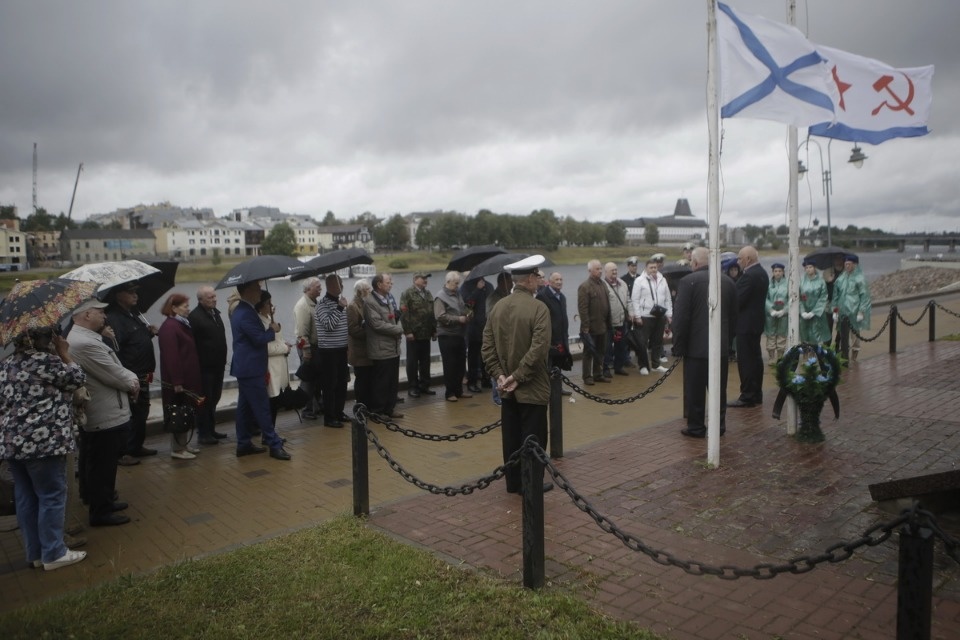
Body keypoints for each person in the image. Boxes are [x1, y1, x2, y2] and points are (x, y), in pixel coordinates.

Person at [1, 326, 88, 570]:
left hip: (12, 442)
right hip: (43, 442)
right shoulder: (46, 361)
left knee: (26, 497)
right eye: (51, 336)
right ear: (42, 339)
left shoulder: (7, 364)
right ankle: (54, 552)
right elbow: (78, 379)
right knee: (51, 495)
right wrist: (65, 353)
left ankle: (36, 553)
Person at [481, 256, 553, 495]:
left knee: (511, 438)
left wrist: (500, 376)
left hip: (506, 389)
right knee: (533, 439)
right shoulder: (539, 307)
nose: (539, 280)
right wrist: (518, 376)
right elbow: (539, 348)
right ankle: (530, 483)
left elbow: (487, 347)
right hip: (531, 388)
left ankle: (513, 483)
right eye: (537, 276)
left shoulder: (498, 306)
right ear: (530, 279)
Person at [69, 298, 140, 526]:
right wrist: (133, 382)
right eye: (100, 312)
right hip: (104, 413)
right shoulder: (84, 343)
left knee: (95, 459)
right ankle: (101, 511)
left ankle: (97, 499)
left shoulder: (84, 339)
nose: (104, 316)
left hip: (103, 410)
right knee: (103, 465)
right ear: (87, 315)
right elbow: (114, 374)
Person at [671, 247, 737, 438]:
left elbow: (681, 318)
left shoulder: (687, 282)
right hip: (720, 348)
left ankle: (696, 427)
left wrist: (679, 346)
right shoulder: (728, 281)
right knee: (719, 390)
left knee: (695, 392)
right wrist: (727, 341)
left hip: (695, 350)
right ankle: (719, 426)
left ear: (695, 263)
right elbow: (734, 317)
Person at [230, 280, 291, 461]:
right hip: (251, 368)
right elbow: (258, 339)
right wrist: (272, 330)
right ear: (248, 291)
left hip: (245, 367)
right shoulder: (246, 313)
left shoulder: (243, 310)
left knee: (244, 408)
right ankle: (274, 444)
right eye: (257, 289)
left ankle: (243, 443)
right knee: (261, 407)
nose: (260, 291)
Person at [104, 282, 157, 465]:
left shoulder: (133, 314)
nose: (136, 296)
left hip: (144, 372)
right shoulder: (114, 318)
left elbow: (134, 340)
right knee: (131, 414)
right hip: (131, 374)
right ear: (119, 295)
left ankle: (136, 446)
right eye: (131, 292)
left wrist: (148, 333)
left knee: (142, 411)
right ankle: (124, 451)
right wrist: (124, 376)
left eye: (136, 292)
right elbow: (117, 348)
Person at [157, 293, 203, 461]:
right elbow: (172, 356)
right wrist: (177, 381)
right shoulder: (170, 327)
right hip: (178, 381)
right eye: (184, 306)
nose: (188, 309)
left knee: (186, 410)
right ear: (174, 308)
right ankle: (177, 448)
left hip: (188, 378)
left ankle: (183, 445)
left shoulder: (180, 324)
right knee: (178, 411)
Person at [188, 286, 229, 444]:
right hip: (204, 368)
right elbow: (193, 345)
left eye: (214, 296)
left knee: (214, 398)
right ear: (200, 300)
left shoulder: (215, 314)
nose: (214, 299)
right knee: (205, 400)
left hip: (218, 366)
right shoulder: (195, 317)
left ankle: (211, 429)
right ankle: (203, 433)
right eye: (209, 297)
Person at [729, 246, 768, 408]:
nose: (738, 262)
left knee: (746, 361)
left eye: (740, 258)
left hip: (746, 324)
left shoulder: (749, 276)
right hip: (756, 322)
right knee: (756, 359)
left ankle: (747, 395)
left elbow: (737, 300)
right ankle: (756, 393)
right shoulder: (763, 273)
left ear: (748, 259)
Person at [364, 274, 405, 419]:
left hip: (393, 348)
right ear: (379, 285)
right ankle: (378, 410)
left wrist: (398, 326)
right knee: (381, 382)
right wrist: (399, 330)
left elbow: (393, 319)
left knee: (392, 381)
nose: (391, 284)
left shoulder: (387, 299)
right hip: (381, 349)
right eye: (388, 282)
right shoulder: (370, 302)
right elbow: (377, 324)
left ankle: (389, 408)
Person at [315, 274, 350, 428]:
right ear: (331, 285)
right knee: (330, 385)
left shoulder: (339, 302)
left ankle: (339, 411)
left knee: (342, 382)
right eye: (339, 282)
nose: (342, 285)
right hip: (328, 351)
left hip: (342, 348)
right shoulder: (322, 305)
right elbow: (329, 325)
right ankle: (329, 417)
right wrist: (340, 308)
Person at [255, 291, 293, 430]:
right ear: (261, 306)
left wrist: (285, 344)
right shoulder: (259, 321)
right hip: (271, 367)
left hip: (279, 366)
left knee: (275, 401)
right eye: (268, 303)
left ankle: (271, 432)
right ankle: (268, 433)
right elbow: (266, 348)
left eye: (271, 303)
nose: (271, 305)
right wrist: (285, 348)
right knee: (271, 402)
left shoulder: (269, 318)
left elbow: (278, 339)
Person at [434, 271, 473, 402]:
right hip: (446, 335)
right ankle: (450, 392)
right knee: (449, 364)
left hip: (459, 334)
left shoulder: (457, 294)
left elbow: (462, 308)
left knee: (460, 363)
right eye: (456, 283)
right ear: (448, 282)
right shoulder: (440, 297)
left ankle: (459, 390)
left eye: (458, 283)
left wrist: (468, 313)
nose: (457, 286)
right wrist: (458, 319)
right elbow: (440, 316)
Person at [630, 258, 672, 375]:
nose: (654, 269)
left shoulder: (662, 279)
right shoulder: (639, 281)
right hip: (645, 316)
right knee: (642, 342)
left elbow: (667, 298)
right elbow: (635, 299)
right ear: (646, 268)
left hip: (660, 315)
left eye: (655, 267)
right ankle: (643, 365)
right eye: (651, 267)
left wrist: (669, 314)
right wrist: (637, 316)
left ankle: (656, 364)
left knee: (657, 342)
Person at [399, 272, 437, 398]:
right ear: (415, 279)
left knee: (425, 362)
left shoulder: (428, 293)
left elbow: (431, 314)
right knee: (413, 362)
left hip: (426, 333)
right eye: (423, 278)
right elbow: (404, 314)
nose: (426, 280)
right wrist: (408, 331)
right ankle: (413, 387)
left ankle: (424, 386)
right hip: (413, 334)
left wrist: (434, 330)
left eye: (427, 278)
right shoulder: (407, 293)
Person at [535, 272, 571, 395]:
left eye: (561, 279)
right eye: (556, 280)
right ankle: (548, 390)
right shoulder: (542, 296)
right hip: (550, 339)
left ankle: (558, 389)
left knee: (559, 364)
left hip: (561, 337)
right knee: (549, 366)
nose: (559, 282)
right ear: (549, 282)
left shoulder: (562, 297)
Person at [577, 259, 611, 386]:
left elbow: (607, 304)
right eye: (597, 269)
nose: (600, 271)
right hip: (590, 327)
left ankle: (598, 374)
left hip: (603, 325)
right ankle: (587, 376)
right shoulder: (584, 286)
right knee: (588, 352)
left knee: (601, 351)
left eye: (601, 268)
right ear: (590, 270)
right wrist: (585, 327)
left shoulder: (603, 284)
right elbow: (583, 308)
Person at [293, 277, 322, 420]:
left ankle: (316, 406)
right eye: (317, 286)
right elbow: (302, 333)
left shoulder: (314, 303)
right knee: (308, 379)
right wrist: (307, 351)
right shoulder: (303, 306)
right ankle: (306, 409)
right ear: (308, 289)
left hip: (316, 346)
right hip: (308, 348)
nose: (320, 288)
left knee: (316, 379)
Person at [833, 255, 872, 361]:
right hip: (842, 312)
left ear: (855, 264)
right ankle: (843, 356)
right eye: (846, 264)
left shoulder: (860, 279)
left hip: (854, 312)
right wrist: (835, 311)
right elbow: (836, 295)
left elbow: (865, 296)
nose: (847, 266)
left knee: (855, 336)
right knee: (842, 334)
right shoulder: (841, 278)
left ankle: (854, 357)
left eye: (849, 264)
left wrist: (861, 311)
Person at [347, 279, 374, 410]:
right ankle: (360, 406)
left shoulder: (368, 303)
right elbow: (352, 329)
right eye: (367, 289)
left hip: (369, 350)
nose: (370, 291)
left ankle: (369, 404)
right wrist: (370, 333)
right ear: (360, 291)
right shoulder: (352, 306)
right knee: (362, 380)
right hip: (359, 352)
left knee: (369, 379)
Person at [602, 262, 632, 377]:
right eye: (612, 270)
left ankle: (619, 367)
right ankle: (605, 369)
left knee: (621, 346)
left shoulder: (623, 283)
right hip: (609, 324)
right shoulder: (603, 285)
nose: (614, 272)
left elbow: (628, 300)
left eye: (615, 270)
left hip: (621, 321)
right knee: (607, 348)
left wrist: (631, 313)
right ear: (606, 272)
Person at [461, 278, 489, 393]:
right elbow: (468, 304)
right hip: (473, 328)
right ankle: (472, 382)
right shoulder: (466, 287)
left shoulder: (488, 286)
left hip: (486, 326)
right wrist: (477, 289)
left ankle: (486, 379)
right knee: (473, 357)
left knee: (486, 356)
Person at [799, 258, 830, 345]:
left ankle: (814, 355)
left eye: (810, 267)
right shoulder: (801, 281)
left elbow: (823, 297)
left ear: (814, 268)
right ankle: (805, 354)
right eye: (806, 267)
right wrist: (802, 311)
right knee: (804, 335)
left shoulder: (821, 281)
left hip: (817, 314)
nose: (808, 269)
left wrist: (814, 312)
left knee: (816, 335)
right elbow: (798, 297)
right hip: (804, 314)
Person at [764, 263, 789, 362]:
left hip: (783, 314)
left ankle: (780, 356)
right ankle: (771, 356)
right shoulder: (769, 284)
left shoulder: (788, 283)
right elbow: (765, 298)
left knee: (782, 335)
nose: (777, 273)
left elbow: (791, 298)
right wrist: (770, 309)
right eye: (775, 271)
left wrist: (785, 310)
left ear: (783, 272)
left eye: (779, 271)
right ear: (773, 272)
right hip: (771, 314)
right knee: (771, 335)